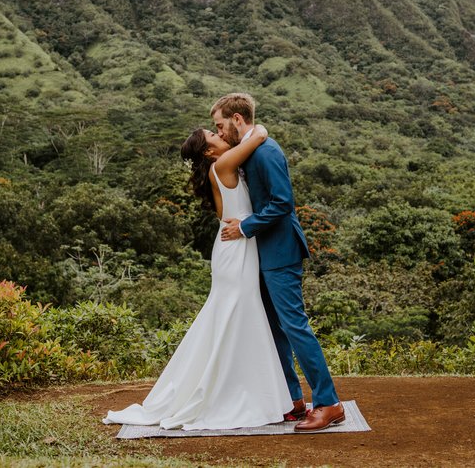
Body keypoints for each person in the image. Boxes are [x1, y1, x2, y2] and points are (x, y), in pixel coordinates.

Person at [103, 123, 291, 430]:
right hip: (235, 251)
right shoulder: (224, 163)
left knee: (234, 318)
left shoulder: (220, 165)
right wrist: (246, 124)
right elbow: (259, 134)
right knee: (237, 316)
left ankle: (242, 389)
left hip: (235, 247)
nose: (222, 136)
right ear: (208, 151)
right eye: (216, 135)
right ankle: (236, 393)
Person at [214, 93, 344, 432]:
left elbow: (283, 203)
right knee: (274, 330)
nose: (219, 132)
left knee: (294, 326)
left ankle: (329, 402)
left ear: (237, 120)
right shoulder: (250, 150)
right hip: (263, 252)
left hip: (280, 251)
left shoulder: (267, 152)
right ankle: (293, 399)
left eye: (220, 125)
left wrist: (244, 227)